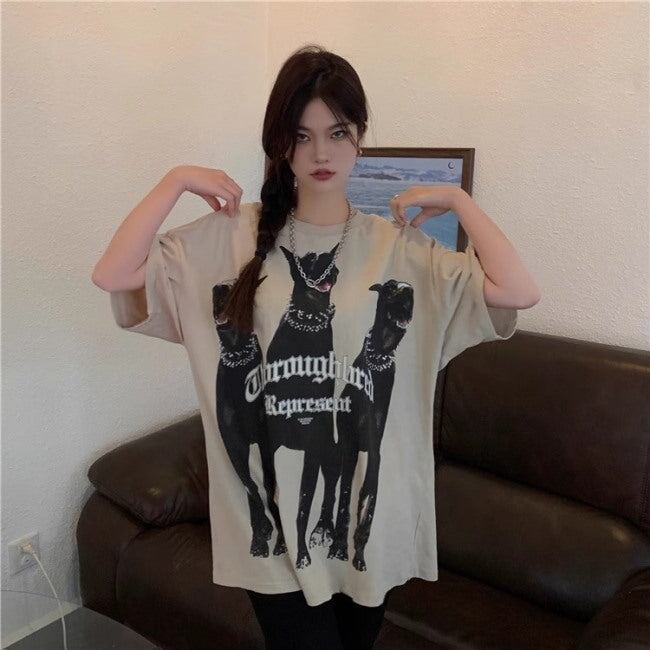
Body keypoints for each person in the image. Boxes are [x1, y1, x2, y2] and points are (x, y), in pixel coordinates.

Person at [93, 44, 535, 649]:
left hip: (365, 531)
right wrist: (175, 181)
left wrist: (459, 202)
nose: (321, 153)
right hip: (271, 533)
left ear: (360, 138)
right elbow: (114, 274)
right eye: (301, 136)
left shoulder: (400, 250)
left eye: (337, 133)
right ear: (280, 145)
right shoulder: (233, 238)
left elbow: (518, 290)